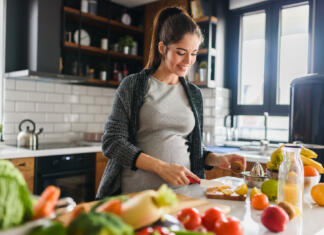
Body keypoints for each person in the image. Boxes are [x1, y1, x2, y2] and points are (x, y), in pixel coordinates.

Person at [96, 6, 246, 198]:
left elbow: (192, 148)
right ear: (162, 48)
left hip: (184, 194)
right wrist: (161, 167)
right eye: (181, 52)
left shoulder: (194, 94)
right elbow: (112, 142)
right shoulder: (134, 85)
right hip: (137, 195)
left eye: (193, 53)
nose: (188, 61)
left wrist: (215, 159)